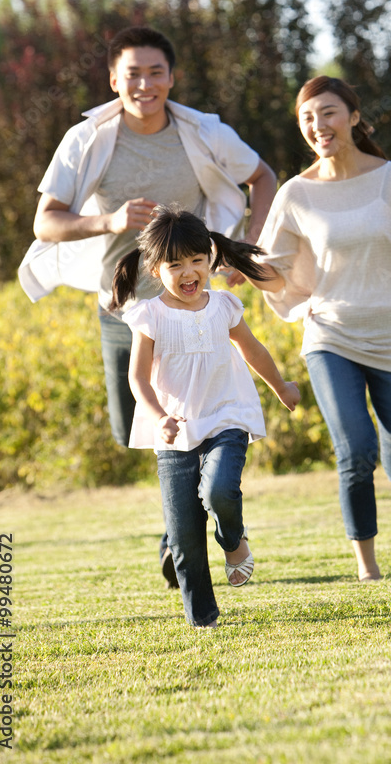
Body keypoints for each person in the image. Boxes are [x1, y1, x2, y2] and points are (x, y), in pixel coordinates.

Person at [18, 25, 277, 588]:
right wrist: (107, 221)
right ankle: (187, 522)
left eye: (155, 72)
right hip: (125, 308)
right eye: (132, 73)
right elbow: (46, 220)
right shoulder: (86, 139)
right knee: (134, 424)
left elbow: (263, 177)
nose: (145, 84)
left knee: (198, 418)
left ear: (171, 77)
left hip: (194, 305)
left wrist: (242, 253)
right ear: (114, 80)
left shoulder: (203, 131)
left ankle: (177, 536)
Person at [245, 75, 391, 582]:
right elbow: (274, 270)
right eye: (307, 118)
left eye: (328, 112)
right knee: (354, 448)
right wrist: (239, 263)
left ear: (354, 117)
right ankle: (367, 568)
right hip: (331, 335)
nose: (318, 125)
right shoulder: (297, 193)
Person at [110, 206, 300, 628]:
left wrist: (282, 387)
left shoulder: (224, 306)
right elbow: (137, 377)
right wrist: (158, 416)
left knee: (218, 491)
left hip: (225, 417)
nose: (189, 272)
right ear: (156, 269)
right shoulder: (150, 316)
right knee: (183, 539)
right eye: (175, 264)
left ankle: (233, 539)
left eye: (197, 260)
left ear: (210, 259)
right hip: (174, 431)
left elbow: (253, 351)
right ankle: (204, 620)